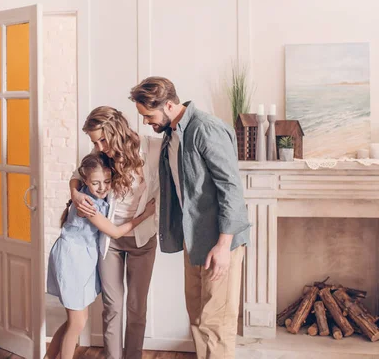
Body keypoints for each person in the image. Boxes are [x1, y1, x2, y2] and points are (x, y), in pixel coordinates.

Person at [129, 76, 252, 359]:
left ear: (169, 105)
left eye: (148, 115)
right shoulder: (172, 134)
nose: (146, 122)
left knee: (216, 323)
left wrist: (223, 246)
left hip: (220, 242)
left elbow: (231, 189)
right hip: (193, 239)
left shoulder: (206, 129)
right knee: (197, 318)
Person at [69, 106, 162, 359]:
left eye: (102, 139)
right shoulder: (100, 154)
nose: (99, 147)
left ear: (117, 130)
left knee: (136, 308)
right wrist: (75, 193)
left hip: (143, 239)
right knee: (112, 308)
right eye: (95, 141)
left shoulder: (154, 149)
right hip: (111, 239)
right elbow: (78, 175)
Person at [46, 152, 156, 359]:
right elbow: (114, 232)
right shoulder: (88, 203)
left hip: (82, 259)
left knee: (74, 320)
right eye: (95, 183)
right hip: (72, 260)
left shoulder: (93, 195)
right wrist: (145, 216)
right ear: (85, 181)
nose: (102, 187)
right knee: (77, 322)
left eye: (107, 181)